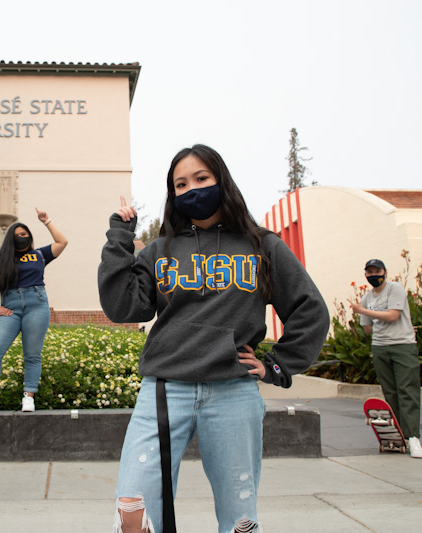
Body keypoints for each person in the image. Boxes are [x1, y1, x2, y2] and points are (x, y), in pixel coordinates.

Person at [98, 144, 330, 533]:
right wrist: (120, 236)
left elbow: (310, 308)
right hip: (164, 390)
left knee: (240, 517)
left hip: (232, 392)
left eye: (202, 179)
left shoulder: (262, 245)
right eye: (181, 184)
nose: (192, 189)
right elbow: (124, 307)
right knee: (134, 511)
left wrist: (278, 363)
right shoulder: (161, 249)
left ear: (222, 180)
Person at [0, 208, 68, 414]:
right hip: (11, 307)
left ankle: (29, 396)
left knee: (32, 354)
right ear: (10, 239)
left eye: (24, 235)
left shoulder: (39, 255)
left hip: (37, 304)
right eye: (16, 236)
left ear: (30, 237)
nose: (21, 238)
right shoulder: (0, 257)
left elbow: (62, 242)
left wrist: (46, 221)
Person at [350, 259, 422, 459]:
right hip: (380, 347)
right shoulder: (366, 297)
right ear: (365, 274)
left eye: (377, 271)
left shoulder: (394, 289)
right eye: (370, 272)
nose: (374, 274)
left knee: (407, 390)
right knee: (390, 393)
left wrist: (362, 311)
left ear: (384, 272)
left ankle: (413, 438)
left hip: (403, 345)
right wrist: (368, 316)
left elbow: (393, 316)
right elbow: (367, 327)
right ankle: (400, 435)